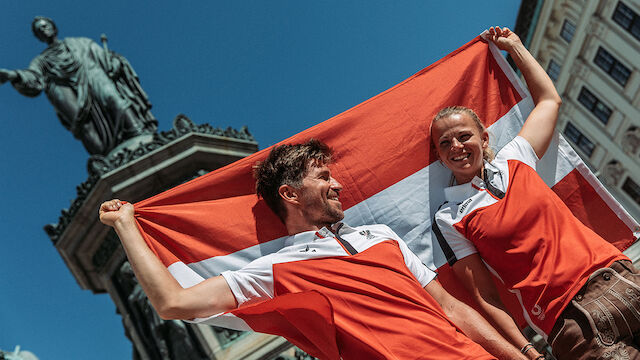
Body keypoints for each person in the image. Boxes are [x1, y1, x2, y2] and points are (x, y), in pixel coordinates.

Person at [100, 139, 527, 359]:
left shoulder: (381, 237)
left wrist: (519, 355)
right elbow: (173, 303)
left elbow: (452, 310)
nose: (337, 184)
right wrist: (126, 225)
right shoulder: (275, 269)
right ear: (289, 193)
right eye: (323, 177)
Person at [431, 27, 638, 360]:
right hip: (571, 323)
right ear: (440, 157)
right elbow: (486, 297)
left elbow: (549, 101)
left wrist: (515, 48)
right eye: (444, 143)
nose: (456, 145)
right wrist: (525, 349)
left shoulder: (516, 158)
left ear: (484, 139)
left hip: (620, 279)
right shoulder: (450, 217)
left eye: (463, 136)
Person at [0, 16, 157, 155]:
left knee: (113, 98)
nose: (43, 29)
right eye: (39, 29)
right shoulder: (41, 61)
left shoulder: (81, 43)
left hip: (90, 72)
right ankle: (105, 158)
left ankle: (138, 133)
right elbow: (33, 77)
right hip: (64, 88)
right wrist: (12, 75)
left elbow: (104, 57)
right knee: (83, 124)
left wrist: (115, 62)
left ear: (54, 27)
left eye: (45, 25)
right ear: (38, 37)